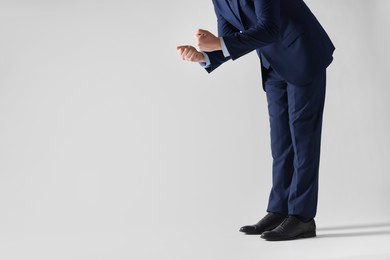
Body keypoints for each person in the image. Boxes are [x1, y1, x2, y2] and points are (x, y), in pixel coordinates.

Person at [176, 0, 335, 241]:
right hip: (273, 64)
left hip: (303, 54)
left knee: (303, 140)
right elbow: (231, 39)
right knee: (281, 143)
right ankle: (280, 210)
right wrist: (203, 56)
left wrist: (218, 43)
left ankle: (302, 218)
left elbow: (269, 28)